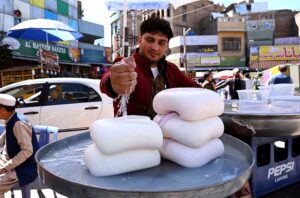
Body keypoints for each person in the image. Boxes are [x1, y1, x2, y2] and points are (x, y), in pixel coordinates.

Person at [100, 15, 200, 118]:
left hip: (166, 133)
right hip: (131, 132)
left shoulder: (172, 69)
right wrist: (112, 83)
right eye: (150, 40)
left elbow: (197, 90)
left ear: (167, 46)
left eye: (161, 42)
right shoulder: (126, 64)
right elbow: (106, 81)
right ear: (139, 40)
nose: (155, 48)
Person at [0, 94, 39, 197]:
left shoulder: (18, 124)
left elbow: (27, 151)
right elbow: (5, 137)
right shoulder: (11, 120)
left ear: (2, 110)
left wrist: (6, 167)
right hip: (10, 160)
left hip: (24, 167)